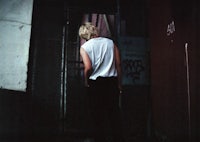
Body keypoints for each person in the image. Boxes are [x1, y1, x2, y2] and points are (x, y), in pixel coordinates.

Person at [79, 22, 125, 142]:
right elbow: (118, 64)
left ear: (84, 35)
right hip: (111, 82)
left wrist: (86, 81)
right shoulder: (110, 43)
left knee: (97, 116)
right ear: (94, 30)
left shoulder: (84, 47)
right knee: (114, 114)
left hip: (96, 84)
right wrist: (119, 84)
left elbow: (88, 68)